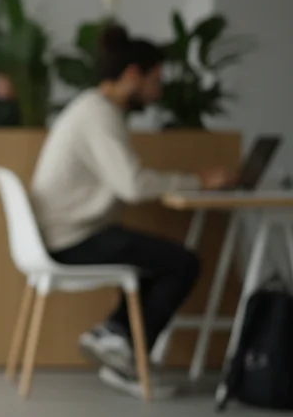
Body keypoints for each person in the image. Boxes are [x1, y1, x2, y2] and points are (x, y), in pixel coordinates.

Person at [29, 24, 235, 398]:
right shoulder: (99, 114)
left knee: (153, 259)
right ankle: (119, 343)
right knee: (184, 263)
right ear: (131, 76)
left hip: (69, 232)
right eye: (155, 80)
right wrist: (197, 181)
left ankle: (115, 338)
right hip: (72, 238)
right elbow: (133, 185)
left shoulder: (94, 109)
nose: (158, 92)